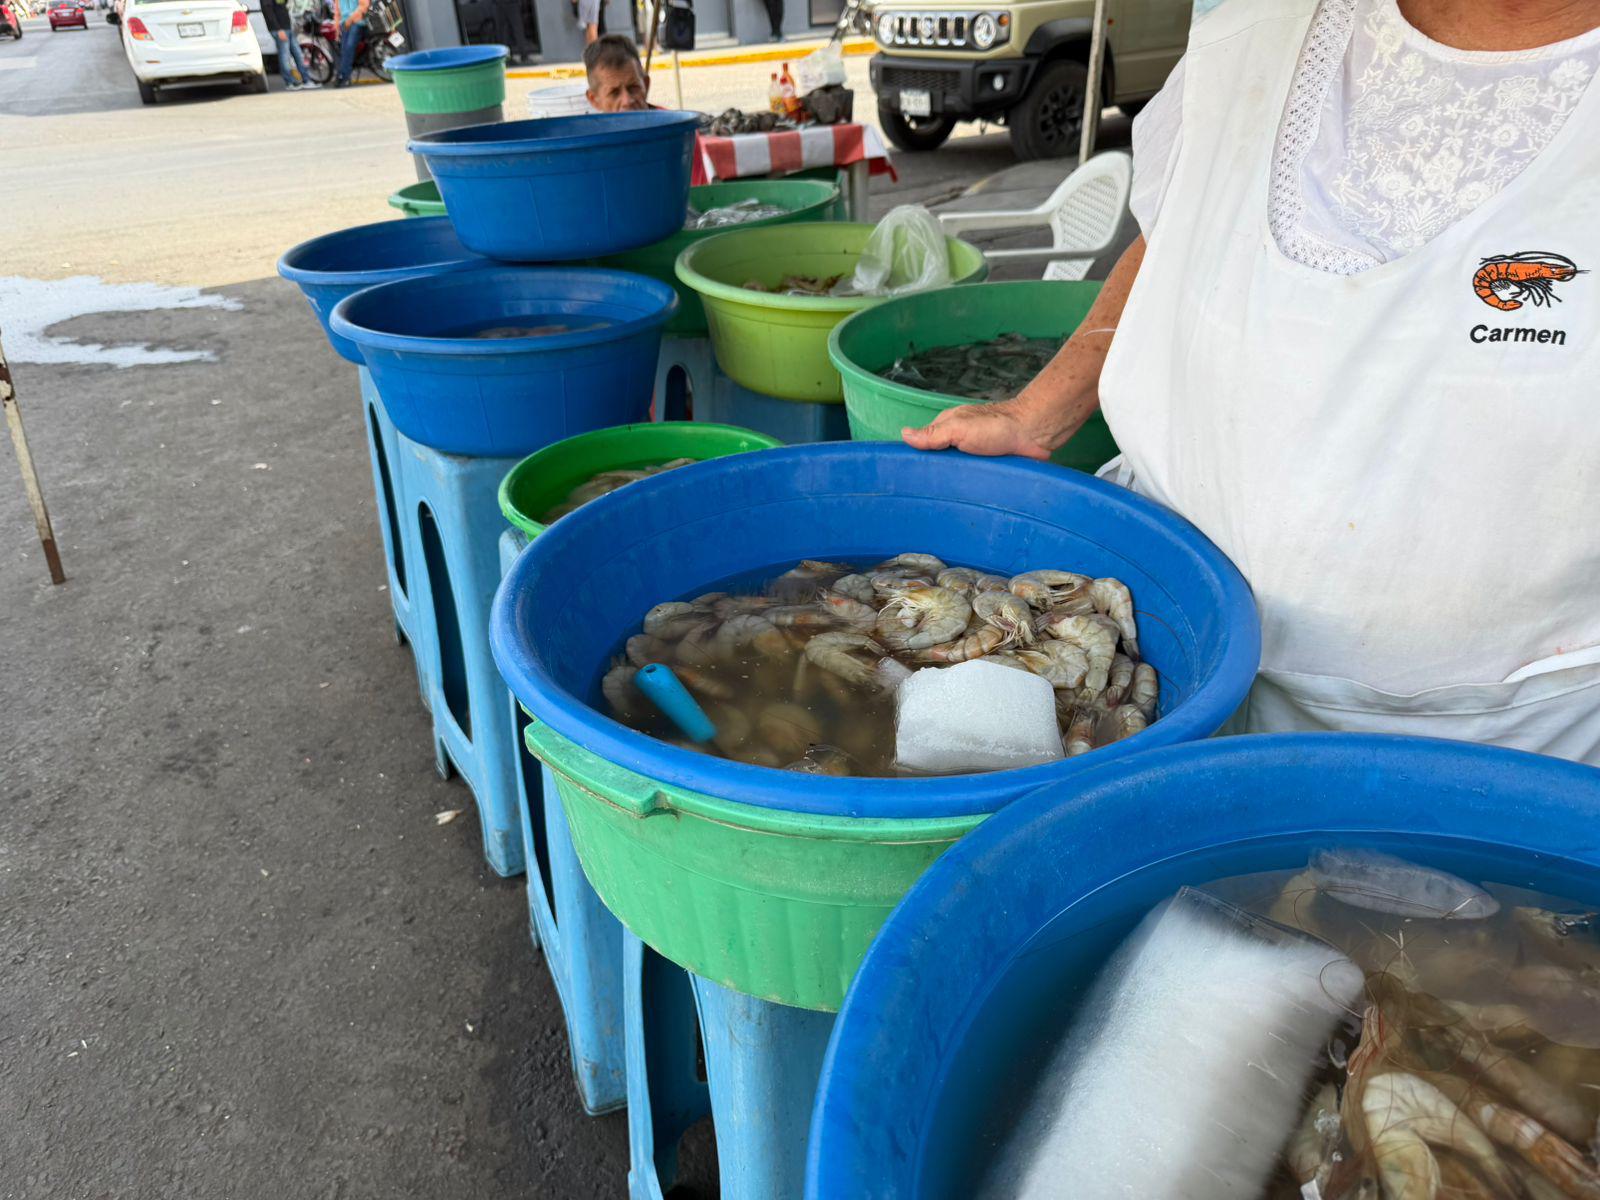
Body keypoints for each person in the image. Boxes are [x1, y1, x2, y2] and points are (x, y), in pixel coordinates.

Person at [904, 0, 1600, 764]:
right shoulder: (1250, 34)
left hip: (1500, 742)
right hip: (1166, 664)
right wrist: (1036, 411)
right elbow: (1174, 229)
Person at [582, 34, 710, 183]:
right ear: (594, 99)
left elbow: (694, 198)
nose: (627, 100)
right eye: (614, 93)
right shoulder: (588, 147)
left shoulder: (680, 135)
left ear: (646, 84)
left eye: (633, 88)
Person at [262, 0, 317, 89]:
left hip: (287, 27)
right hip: (279, 29)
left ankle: (307, 80)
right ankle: (289, 83)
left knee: (298, 54)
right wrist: (278, 29)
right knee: (285, 56)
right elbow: (268, 12)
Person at [332, 0, 369, 87]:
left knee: (349, 46)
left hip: (358, 21)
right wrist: (337, 29)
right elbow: (337, 13)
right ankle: (343, 75)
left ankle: (343, 76)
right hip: (345, 24)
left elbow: (364, 6)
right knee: (343, 49)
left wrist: (350, 19)